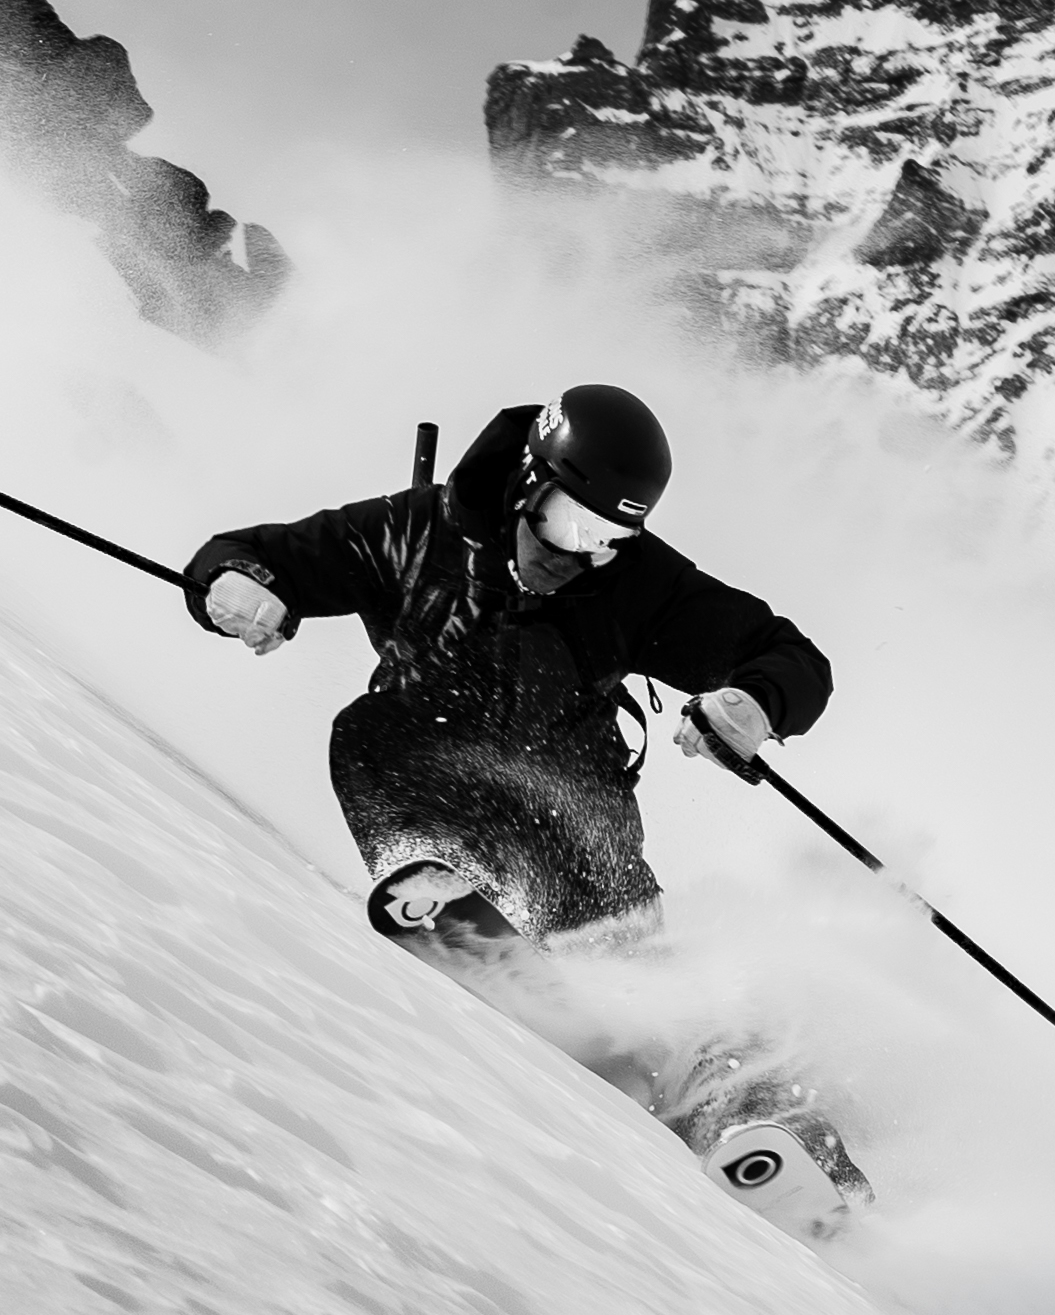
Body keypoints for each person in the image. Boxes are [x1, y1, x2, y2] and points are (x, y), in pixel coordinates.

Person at [181, 385, 831, 952]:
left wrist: (754, 703)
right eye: (569, 524)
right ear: (527, 485)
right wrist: (237, 581)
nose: (578, 556)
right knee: (366, 732)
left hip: (574, 826)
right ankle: (436, 887)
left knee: (634, 963)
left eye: (607, 540)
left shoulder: (632, 585)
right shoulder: (413, 533)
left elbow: (790, 657)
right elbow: (250, 553)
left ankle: (694, 1027)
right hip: (435, 787)